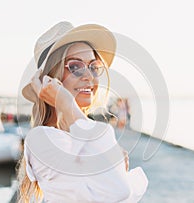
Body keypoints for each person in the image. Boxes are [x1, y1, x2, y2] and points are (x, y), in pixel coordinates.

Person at [17, 21, 148, 203]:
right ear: (51, 79)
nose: (89, 76)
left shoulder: (82, 132)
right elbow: (119, 191)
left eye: (93, 67)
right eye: (75, 67)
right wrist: (66, 103)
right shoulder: (42, 139)